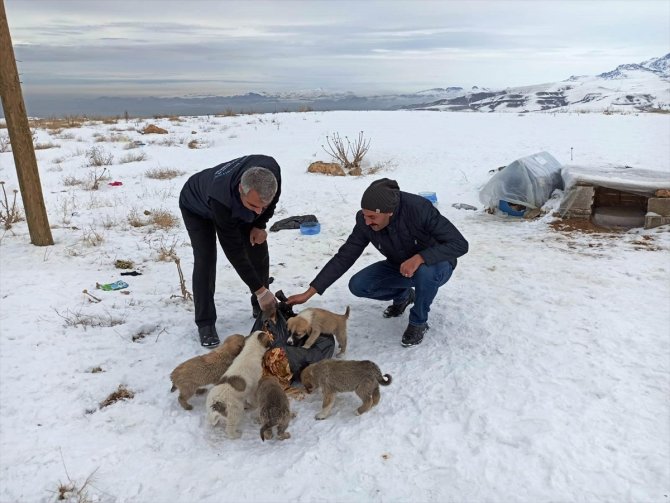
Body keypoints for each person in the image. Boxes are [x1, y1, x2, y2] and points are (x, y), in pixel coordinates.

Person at [287, 178, 468, 347]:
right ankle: (404, 296)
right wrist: (310, 291)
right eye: (365, 216)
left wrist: (420, 258)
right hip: (399, 265)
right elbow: (346, 255)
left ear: (389, 212)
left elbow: (460, 244)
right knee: (359, 285)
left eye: (372, 217)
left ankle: (418, 322)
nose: (367, 221)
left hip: (436, 265)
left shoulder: (419, 209)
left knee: (425, 272)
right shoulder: (366, 221)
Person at [179, 155, 281, 348]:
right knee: (206, 258)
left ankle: (260, 307)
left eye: (263, 206)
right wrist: (261, 290)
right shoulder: (221, 199)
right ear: (241, 189)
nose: (258, 211)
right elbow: (234, 252)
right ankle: (205, 323)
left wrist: (259, 224)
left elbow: (267, 206)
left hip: (233, 204)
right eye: (254, 206)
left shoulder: (271, 173)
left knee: (257, 244)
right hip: (197, 206)